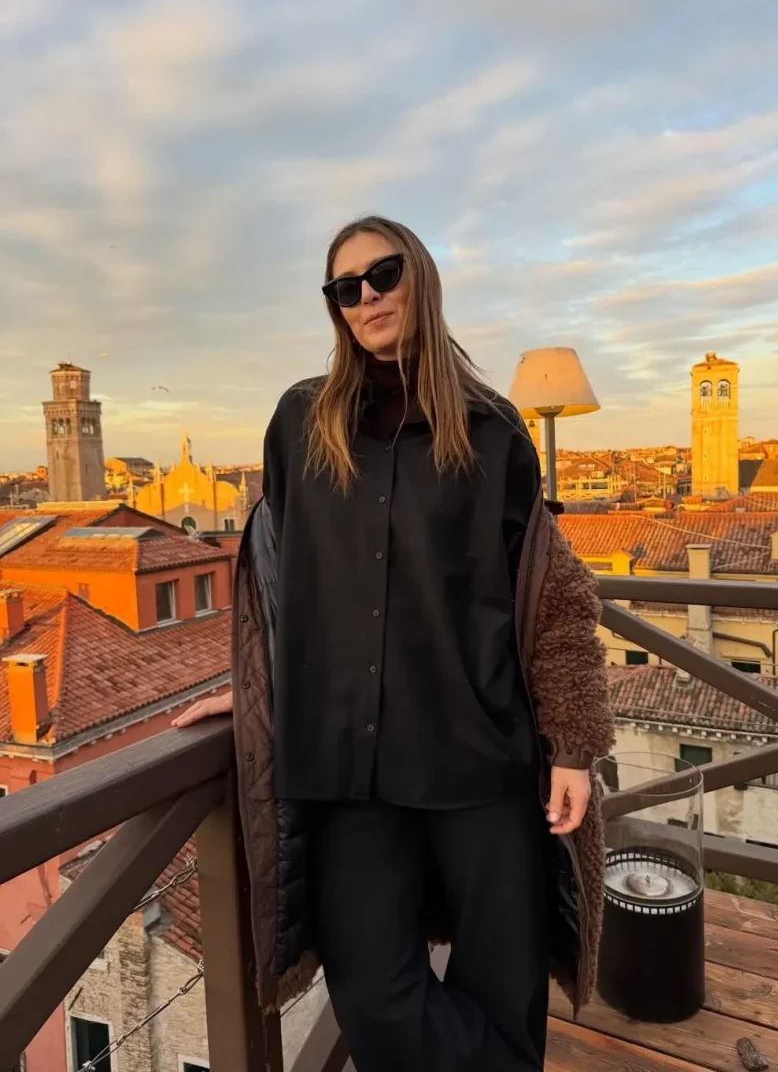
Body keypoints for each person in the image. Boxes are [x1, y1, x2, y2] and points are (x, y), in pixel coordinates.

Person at [175, 215, 614, 1072]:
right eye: (346, 288)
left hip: (480, 756)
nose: (368, 297)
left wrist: (573, 744)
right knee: (373, 996)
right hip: (351, 768)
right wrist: (257, 687)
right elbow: (283, 587)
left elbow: (555, 596)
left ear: (420, 276)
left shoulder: (494, 431)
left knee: (506, 989)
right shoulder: (300, 423)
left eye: (383, 273)